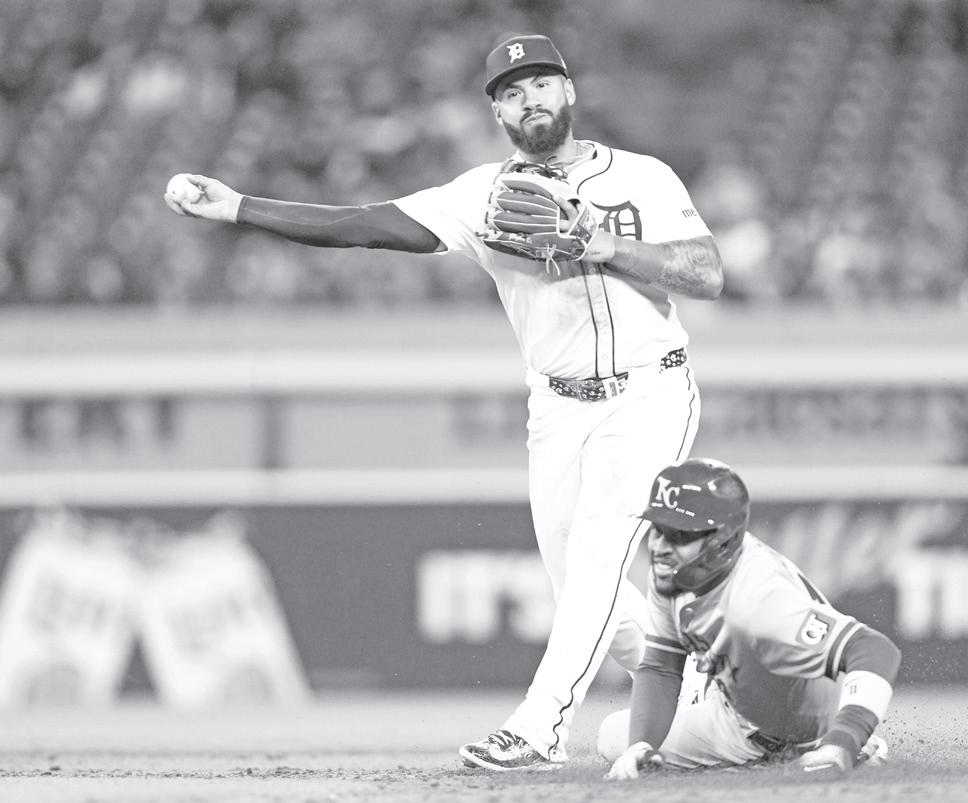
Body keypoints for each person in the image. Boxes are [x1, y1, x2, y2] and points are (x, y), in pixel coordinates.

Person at [164, 33, 723, 771]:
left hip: (648, 390)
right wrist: (239, 206)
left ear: (569, 90)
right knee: (592, 598)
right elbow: (364, 225)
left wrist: (604, 245)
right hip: (557, 409)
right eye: (512, 93)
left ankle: (538, 729)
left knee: (596, 556)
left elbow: (706, 274)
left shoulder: (644, 177)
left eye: (541, 84)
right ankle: (724, 696)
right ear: (497, 113)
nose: (530, 100)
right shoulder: (480, 196)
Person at [600, 458, 901, 780]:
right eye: (657, 530)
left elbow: (874, 649)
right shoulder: (675, 570)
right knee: (618, 739)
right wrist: (642, 744)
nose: (660, 546)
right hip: (736, 709)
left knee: (619, 737)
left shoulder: (760, 597)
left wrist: (843, 739)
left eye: (679, 534)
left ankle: (840, 747)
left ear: (721, 539)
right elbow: (662, 665)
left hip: (805, 724)